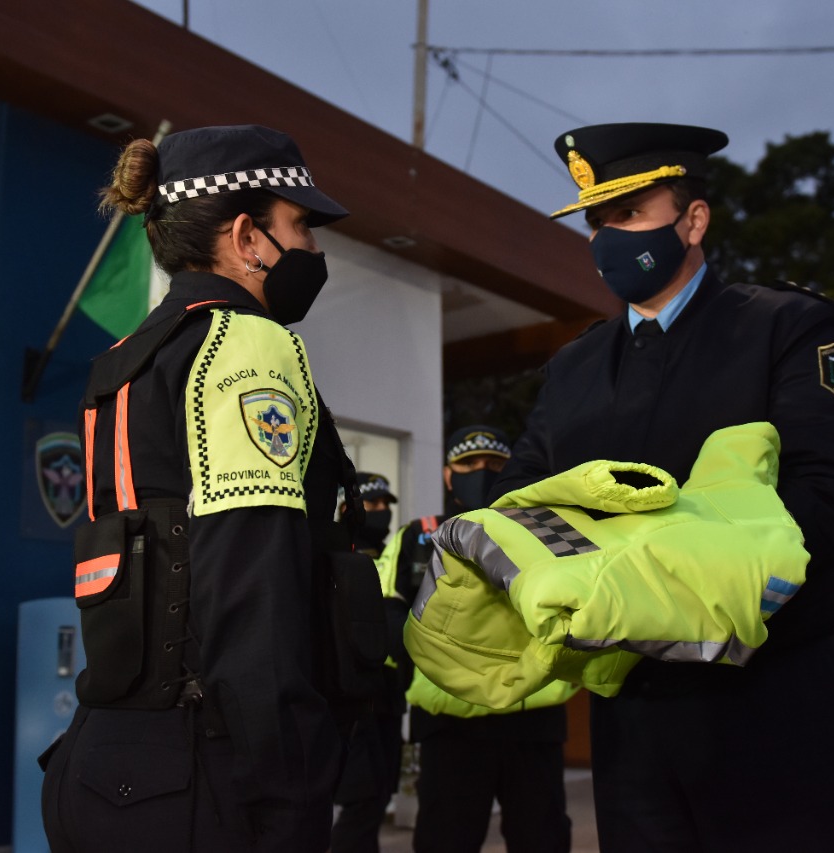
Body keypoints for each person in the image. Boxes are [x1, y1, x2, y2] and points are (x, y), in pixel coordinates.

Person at [492, 123, 834, 851]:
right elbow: (517, 500)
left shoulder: (786, 328)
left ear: (693, 220)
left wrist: (666, 577)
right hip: (632, 708)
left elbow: (833, 501)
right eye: (598, 221)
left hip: (770, 697)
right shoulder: (575, 367)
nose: (608, 237)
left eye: (630, 213)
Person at [41, 124, 379, 851]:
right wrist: (289, 797)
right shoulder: (245, 340)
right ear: (248, 237)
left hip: (101, 764)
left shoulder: (127, 359)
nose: (313, 247)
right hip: (206, 779)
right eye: (301, 225)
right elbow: (248, 581)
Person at [401, 425, 572, 853]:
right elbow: (390, 612)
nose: (482, 471)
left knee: (542, 840)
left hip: (533, 718)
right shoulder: (419, 536)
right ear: (448, 475)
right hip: (450, 723)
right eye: (469, 464)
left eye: (495, 463)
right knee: (444, 841)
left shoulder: (547, 530)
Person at [331, 472, 404, 853]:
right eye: (372, 503)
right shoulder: (332, 553)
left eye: (384, 505)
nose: (380, 511)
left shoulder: (394, 556)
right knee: (361, 798)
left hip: (388, 693)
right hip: (351, 694)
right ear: (347, 508)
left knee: (380, 794)